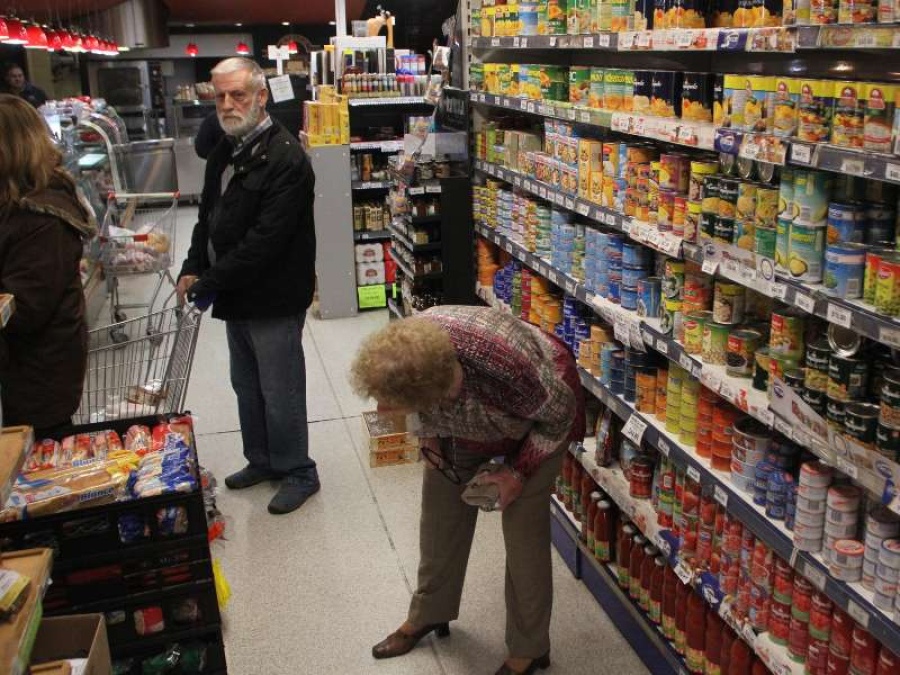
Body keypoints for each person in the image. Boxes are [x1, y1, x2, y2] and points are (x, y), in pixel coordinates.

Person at [350, 305, 585, 675]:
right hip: (461, 407)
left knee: (523, 534)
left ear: (437, 392)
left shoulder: (509, 368)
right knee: (439, 517)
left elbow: (558, 418)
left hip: (540, 416)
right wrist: (428, 437)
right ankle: (430, 612)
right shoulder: (410, 352)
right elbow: (414, 408)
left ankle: (530, 648)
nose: (385, 408)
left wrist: (516, 474)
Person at [176, 57, 318, 515]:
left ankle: (299, 470)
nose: (228, 104)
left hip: (274, 294)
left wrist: (210, 281)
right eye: (219, 96)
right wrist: (192, 265)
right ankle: (262, 460)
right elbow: (207, 218)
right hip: (235, 293)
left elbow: (266, 243)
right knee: (246, 385)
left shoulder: (287, 159)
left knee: (281, 389)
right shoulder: (224, 149)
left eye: (238, 95)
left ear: (262, 96)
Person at [0, 94, 97, 436]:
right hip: (39, 372)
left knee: (34, 467)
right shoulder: (22, 206)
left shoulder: (40, 217)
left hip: (36, 375)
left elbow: (25, 307)